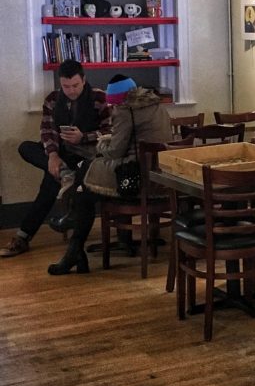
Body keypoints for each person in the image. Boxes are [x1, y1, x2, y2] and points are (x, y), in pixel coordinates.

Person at [47, 75, 171, 276]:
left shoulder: (125, 110)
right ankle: (74, 240)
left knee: (85, 177)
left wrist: (102, 146)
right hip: (160, 176)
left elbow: (116, 152)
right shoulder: (157, 106)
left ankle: (74, 239)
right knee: (85, 179)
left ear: (116, 99)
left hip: (133, 178)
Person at [1, 60, 110, 258]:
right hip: (61, 154)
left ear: (84, 80)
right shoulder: (53, 99)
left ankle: (22, 237)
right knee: (26, 147)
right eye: (66, 86)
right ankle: (63, 174)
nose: (71, 90)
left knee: (49, 183)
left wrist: (83, 137)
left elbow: (110, 131)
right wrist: (52, 156)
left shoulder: (98, 97)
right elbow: (47, 130)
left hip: (85, 157)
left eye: (75, 85)